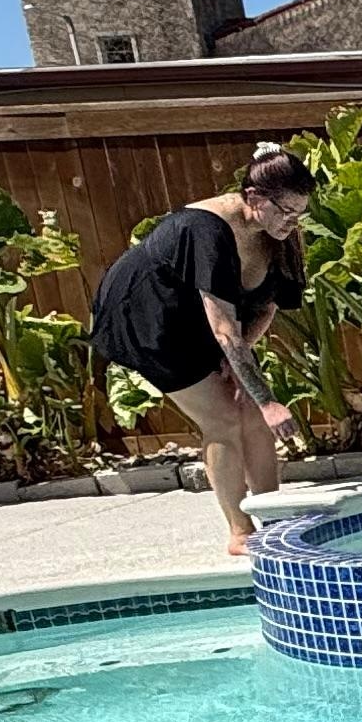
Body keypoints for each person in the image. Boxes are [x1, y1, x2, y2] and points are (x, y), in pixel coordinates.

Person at [90, 143, 315, 555]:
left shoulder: (280, 237)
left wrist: (245, 371)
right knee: (224, 418)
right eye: (285, 211)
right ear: (254, 197)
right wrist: (269, 400)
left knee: (251, 412)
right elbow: (223, 328)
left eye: (299, 213)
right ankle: (240, 533)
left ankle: (275, 521)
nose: (291, 221)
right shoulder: (206, 230)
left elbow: (266, 306)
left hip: (206, 319)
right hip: (148, 319)